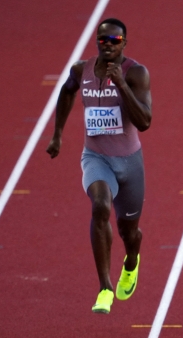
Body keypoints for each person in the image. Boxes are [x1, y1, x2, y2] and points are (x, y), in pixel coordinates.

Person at [46, 18, 151, 314]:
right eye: (102, 40)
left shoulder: (136, 73)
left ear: (124, 44)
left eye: (114, 41)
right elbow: (67, 91)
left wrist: (121, 84)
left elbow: (144, 122)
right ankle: (104, 287)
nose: (107, 45)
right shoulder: (82, 70)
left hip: (130, 162)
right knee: (100, 205)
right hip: (95, 157)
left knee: (129, 232)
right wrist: (57, 135)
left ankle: (131, 262)